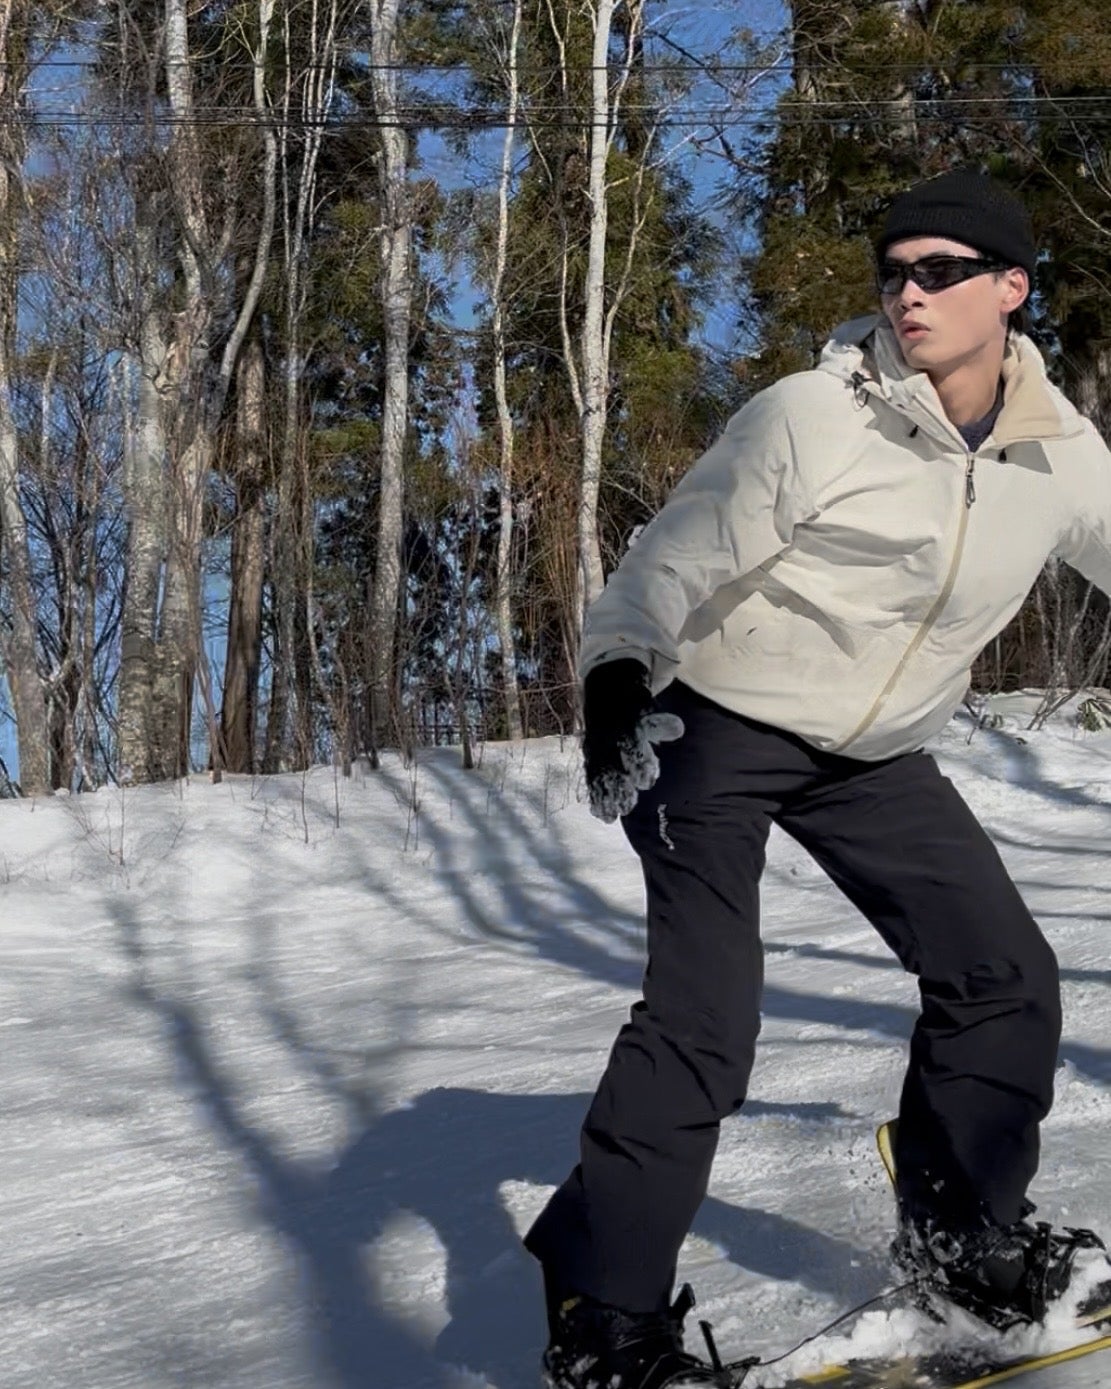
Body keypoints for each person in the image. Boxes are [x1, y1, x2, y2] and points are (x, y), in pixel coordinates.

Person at [524, 170, 1111, 1389]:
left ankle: (963, 1240)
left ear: (1010, 289)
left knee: (1004, 979)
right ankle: (604, 1319)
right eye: (893, 271)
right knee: (705, 1027)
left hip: (876, 752)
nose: (909, 292)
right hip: (715, 727)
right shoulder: (813, 413)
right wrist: (619, 669)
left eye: (941, 270)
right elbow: (672, 553)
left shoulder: (1057, 452)